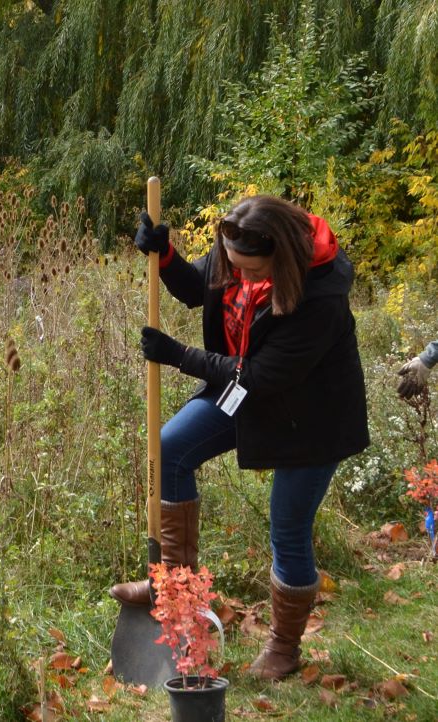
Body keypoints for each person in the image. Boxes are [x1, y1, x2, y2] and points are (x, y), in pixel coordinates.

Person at [109, 195, 369, 681]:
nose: (242, 278)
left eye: (253, 272)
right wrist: (164, 257)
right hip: (243, 391)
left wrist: (179, 355)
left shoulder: (322, 295)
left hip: (310, 420)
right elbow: (196, 288)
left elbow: (261, 376)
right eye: (235, 267)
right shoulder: (240, 246)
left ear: (284, 257)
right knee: (170, 450)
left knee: (287, 528)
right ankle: (174, 590)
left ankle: (284, 647)